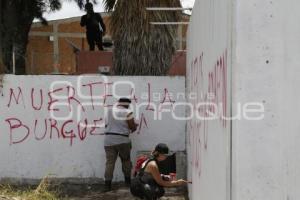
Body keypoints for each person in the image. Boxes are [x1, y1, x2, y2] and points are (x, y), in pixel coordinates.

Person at [104, 98, 138, 191]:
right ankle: (127, 183)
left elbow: (106, 125)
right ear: (126, 104)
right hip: (122, 140)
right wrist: (135, 126)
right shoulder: (127, 112)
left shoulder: (109, 110)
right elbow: (132, 126)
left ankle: (107, 185)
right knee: (126, 161)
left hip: (108, 140)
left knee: (110, 163)